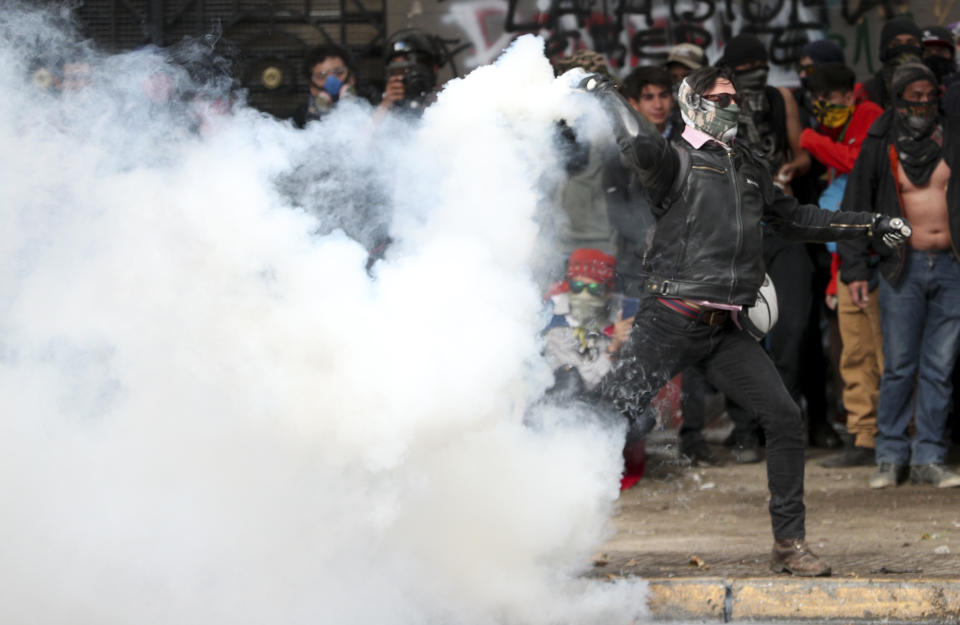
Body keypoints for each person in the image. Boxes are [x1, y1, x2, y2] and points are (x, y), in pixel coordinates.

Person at [578, 65, 911, 576]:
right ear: (694, 103)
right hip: (668, 324)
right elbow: (639, 143)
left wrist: (870, 223)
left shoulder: (748, 166)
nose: (733, 106)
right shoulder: (672, 160)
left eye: (735, 98)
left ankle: (789, 544)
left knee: (783, 416)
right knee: (602, 424)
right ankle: (550, 534)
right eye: (721, 97)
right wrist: (606, 94)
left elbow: (797, 219)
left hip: (724, 332)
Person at [840, 63, 960, 489]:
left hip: (951, 265)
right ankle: (890, 456)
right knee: (899, 365)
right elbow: (855, 206)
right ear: (898, 97)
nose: (923, 103)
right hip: (901, 267)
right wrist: (854, 268)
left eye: (930, 96)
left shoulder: (952, 135)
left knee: (939, 366)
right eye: (915, 96)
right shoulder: (880, 141)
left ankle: (928, 456)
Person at [798, 63, 885, 467]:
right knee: (854, 355)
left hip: (878, 259)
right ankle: (864, 439)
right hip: (849, 259)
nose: (825, 108)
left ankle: (899, 440)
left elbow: (857, 163)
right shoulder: (842, 122)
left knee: (885, 357)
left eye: (831, 100)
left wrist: (811, 140)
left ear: (851, 95)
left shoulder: (870, 119)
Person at [855, 17, 923, 108]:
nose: (903, 49)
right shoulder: (868, 91)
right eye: (896, 45)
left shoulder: (936, 86)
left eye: (910, 43)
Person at [377, 28, 442, 117]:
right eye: (399, 71)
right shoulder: (389, 109)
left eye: (413, 70)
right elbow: (366, 130)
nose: (407, 76)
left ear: (434, 69)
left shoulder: (448, 102)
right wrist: (385, 105)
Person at [293, 44, 357, 127]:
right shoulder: (302, 117)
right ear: (312, 87)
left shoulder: (369, 106)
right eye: (321, 76)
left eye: (339, 72)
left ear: (351, 78)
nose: (331, 81)